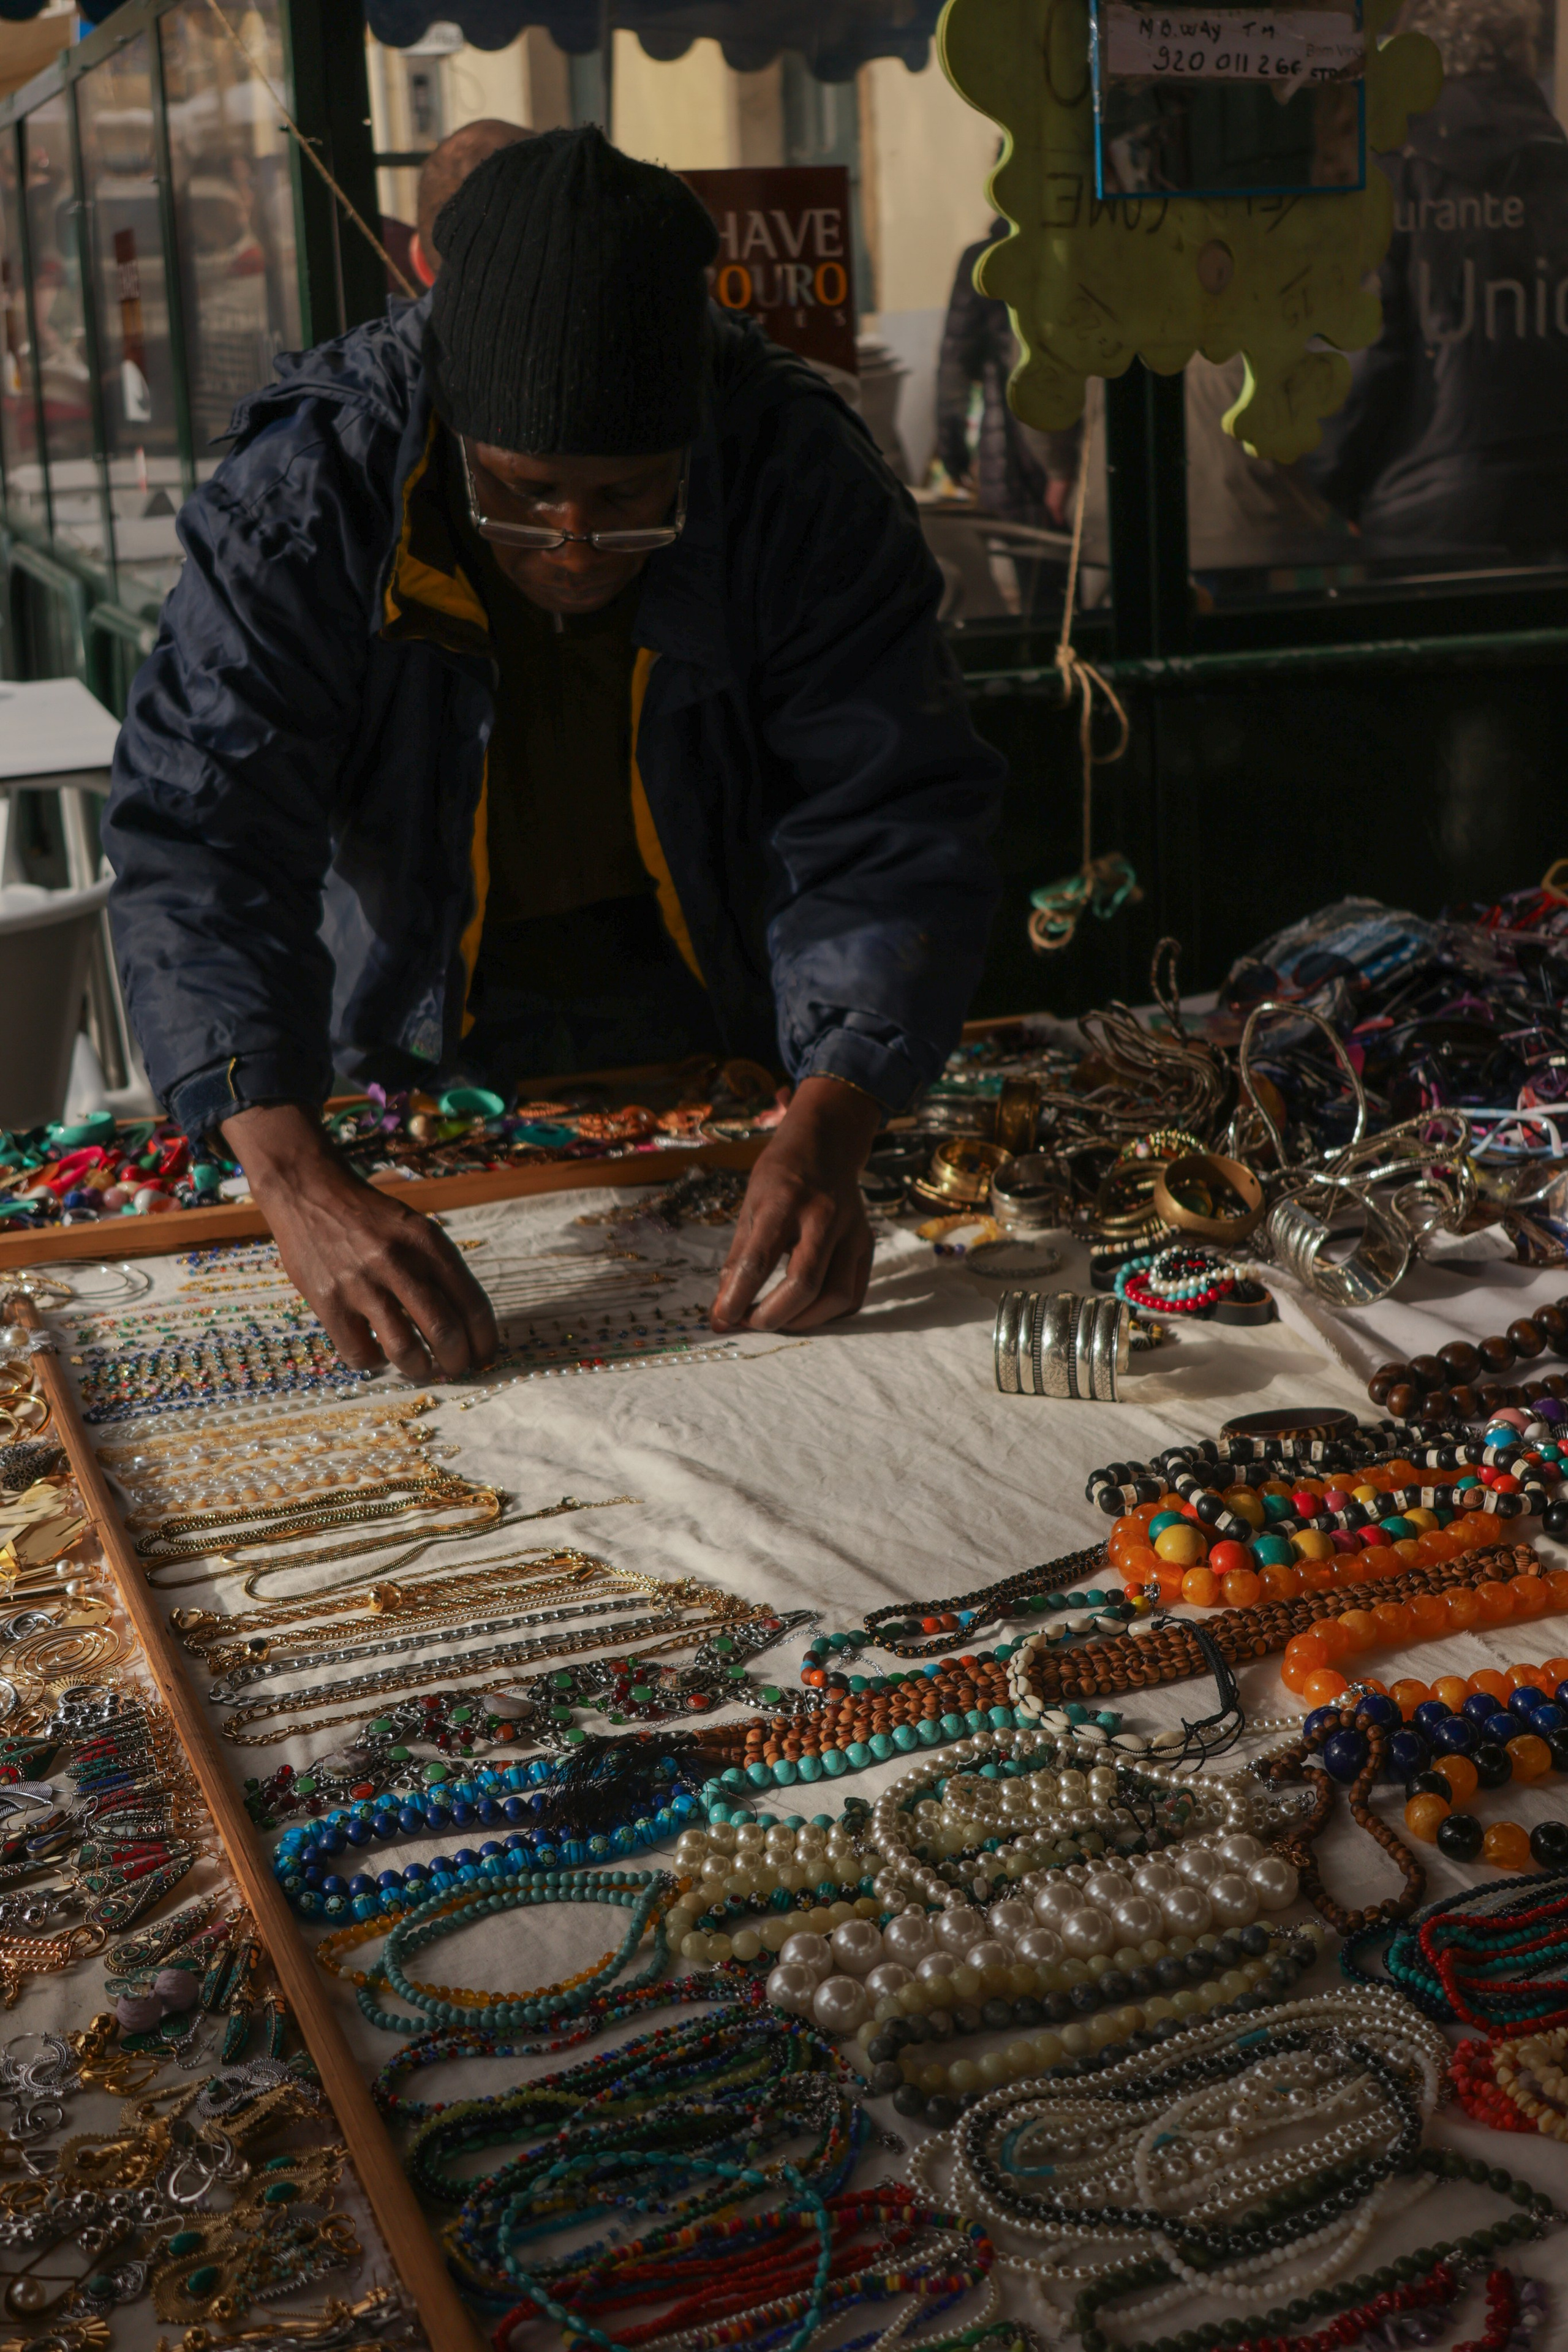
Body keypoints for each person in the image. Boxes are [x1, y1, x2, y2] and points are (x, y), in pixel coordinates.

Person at [104, 127, 1005, 1383]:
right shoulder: (311, 491)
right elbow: (202, 837)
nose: (574, 546)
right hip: (409, 1019)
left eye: (628, 498)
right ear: (455, 427)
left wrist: (836, 1115)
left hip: (714, 1008)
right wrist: (297, 1181)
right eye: (524, 494)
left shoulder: (794, 472)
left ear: (689, 440)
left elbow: (888, 811)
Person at [1305, 0, 1568, 560]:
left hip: (1423, 508)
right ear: (1524, 56)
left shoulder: (1396, 171)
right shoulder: (1558, 168)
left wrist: (1333, 480)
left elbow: (1364, 348)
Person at [935, 221, 1077, 527]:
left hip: (1009, 447)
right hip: (1082, 445)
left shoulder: (984, 259)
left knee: (1024, 546)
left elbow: (955, 367)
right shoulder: (1085, 246)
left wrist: (953, 454)